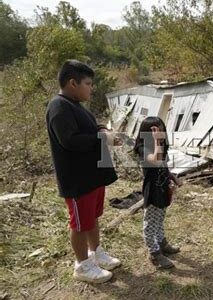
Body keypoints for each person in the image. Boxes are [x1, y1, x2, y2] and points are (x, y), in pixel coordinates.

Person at [46, 60, 120, 283]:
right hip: (77, 179)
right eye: (88, 83)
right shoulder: (59, 107)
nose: (91, 88)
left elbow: (88, 128)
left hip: (92, 176)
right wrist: (102, 138)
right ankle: (82, 266)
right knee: (79, 223)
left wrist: (102, 129)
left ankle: (95, 253)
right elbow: (69, 140)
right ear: (72, 83)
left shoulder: (76, 104)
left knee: (92, 217)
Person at [133, 116, 181, 268]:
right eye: (155, 130)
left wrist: (173, 178)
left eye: (161, 130)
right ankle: (154, 253)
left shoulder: (161, 146)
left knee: (160, 218)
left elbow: (163, 164)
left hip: (163, 187)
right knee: (150, 223)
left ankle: (161, 243)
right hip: (152, 189)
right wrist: (157, 141)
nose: (159, 133)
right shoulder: (143, 148)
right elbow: (155, 160)